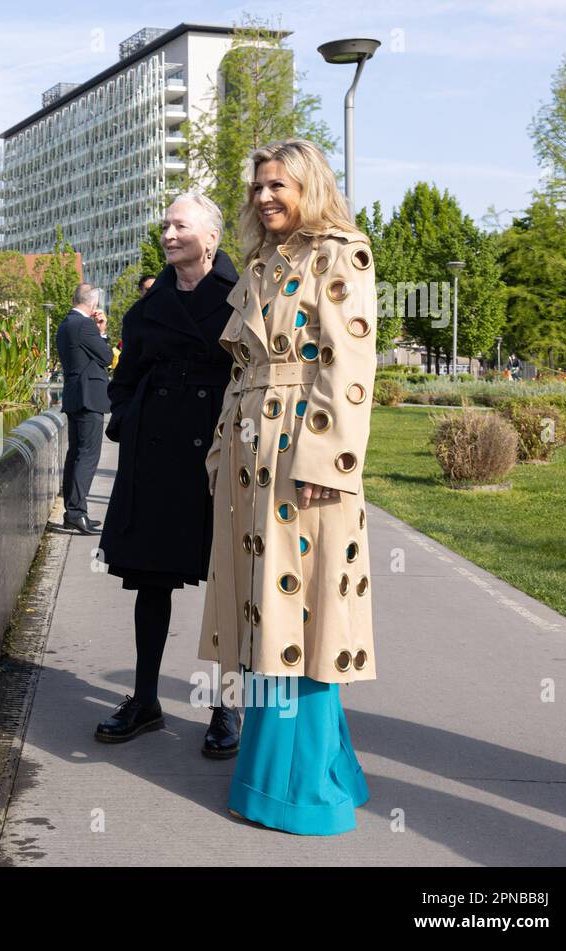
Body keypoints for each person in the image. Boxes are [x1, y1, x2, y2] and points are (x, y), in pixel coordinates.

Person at [197, 138, 378, 835]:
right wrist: (220, 454)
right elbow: (239, 371)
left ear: (309, 185)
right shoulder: (262, 262)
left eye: (279, 185)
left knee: (301, 615)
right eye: (259, 187)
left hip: (302, 460)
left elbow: (350, 366)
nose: (266, 197)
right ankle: (321, 770)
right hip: (250, 462)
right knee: (262, 612)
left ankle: (301, 791)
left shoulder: (340, 252)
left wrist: (323, 465)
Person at [96, 191, 246, 756]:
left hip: (219, 457)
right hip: (154, 459)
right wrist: (128, 421)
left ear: (210, 236)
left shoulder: (243, 298)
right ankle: (144, 699)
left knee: (227, 586)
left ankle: (226, 706)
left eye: (179, 225)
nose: (168, 233)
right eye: (165, 225)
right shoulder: (147, 308)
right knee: (149, 583)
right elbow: (123, 378)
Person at [56, 283, 113, 535]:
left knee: (76, 455)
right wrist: (102, 332)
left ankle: (73, 513)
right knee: (87, 457)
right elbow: (106, 357)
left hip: (75, 396)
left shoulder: (66, 323)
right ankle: (77, 513)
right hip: (88, 398)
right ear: (93, 304)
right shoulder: (85, 325)